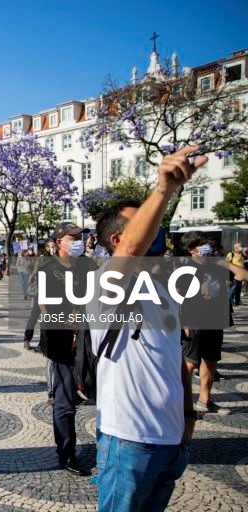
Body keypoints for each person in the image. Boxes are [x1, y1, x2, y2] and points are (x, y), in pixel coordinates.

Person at [88, 146, 209, 511]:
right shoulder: (103, 286)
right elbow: (131, 250)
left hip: (171, 442)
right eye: (146, 222)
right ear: (117, 240)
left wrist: (187, 423)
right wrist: (162, 191)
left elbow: (175, 360)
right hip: (129, 442)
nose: (156, 229)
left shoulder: (164, 291)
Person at [37, 221, 94, 477]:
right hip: (60, 342)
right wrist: (66, 328)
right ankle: (67, 452)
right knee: (64, 401)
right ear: (59, 242)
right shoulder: (48, 269)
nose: (78, 241)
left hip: (87, 339)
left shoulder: (88, 265)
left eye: (80, 237)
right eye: (72, 238)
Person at [180, 232, 246, 415]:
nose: (206, 247)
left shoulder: (217, 265)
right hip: (193, 320)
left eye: (207, 243)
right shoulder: (184, 268)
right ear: (192, 249)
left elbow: (242, 274)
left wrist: (222, 262)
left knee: (210, 361)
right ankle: (183, 403)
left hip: (215, 319)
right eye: (201, 244)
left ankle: (205, 400)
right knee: (189, 363)